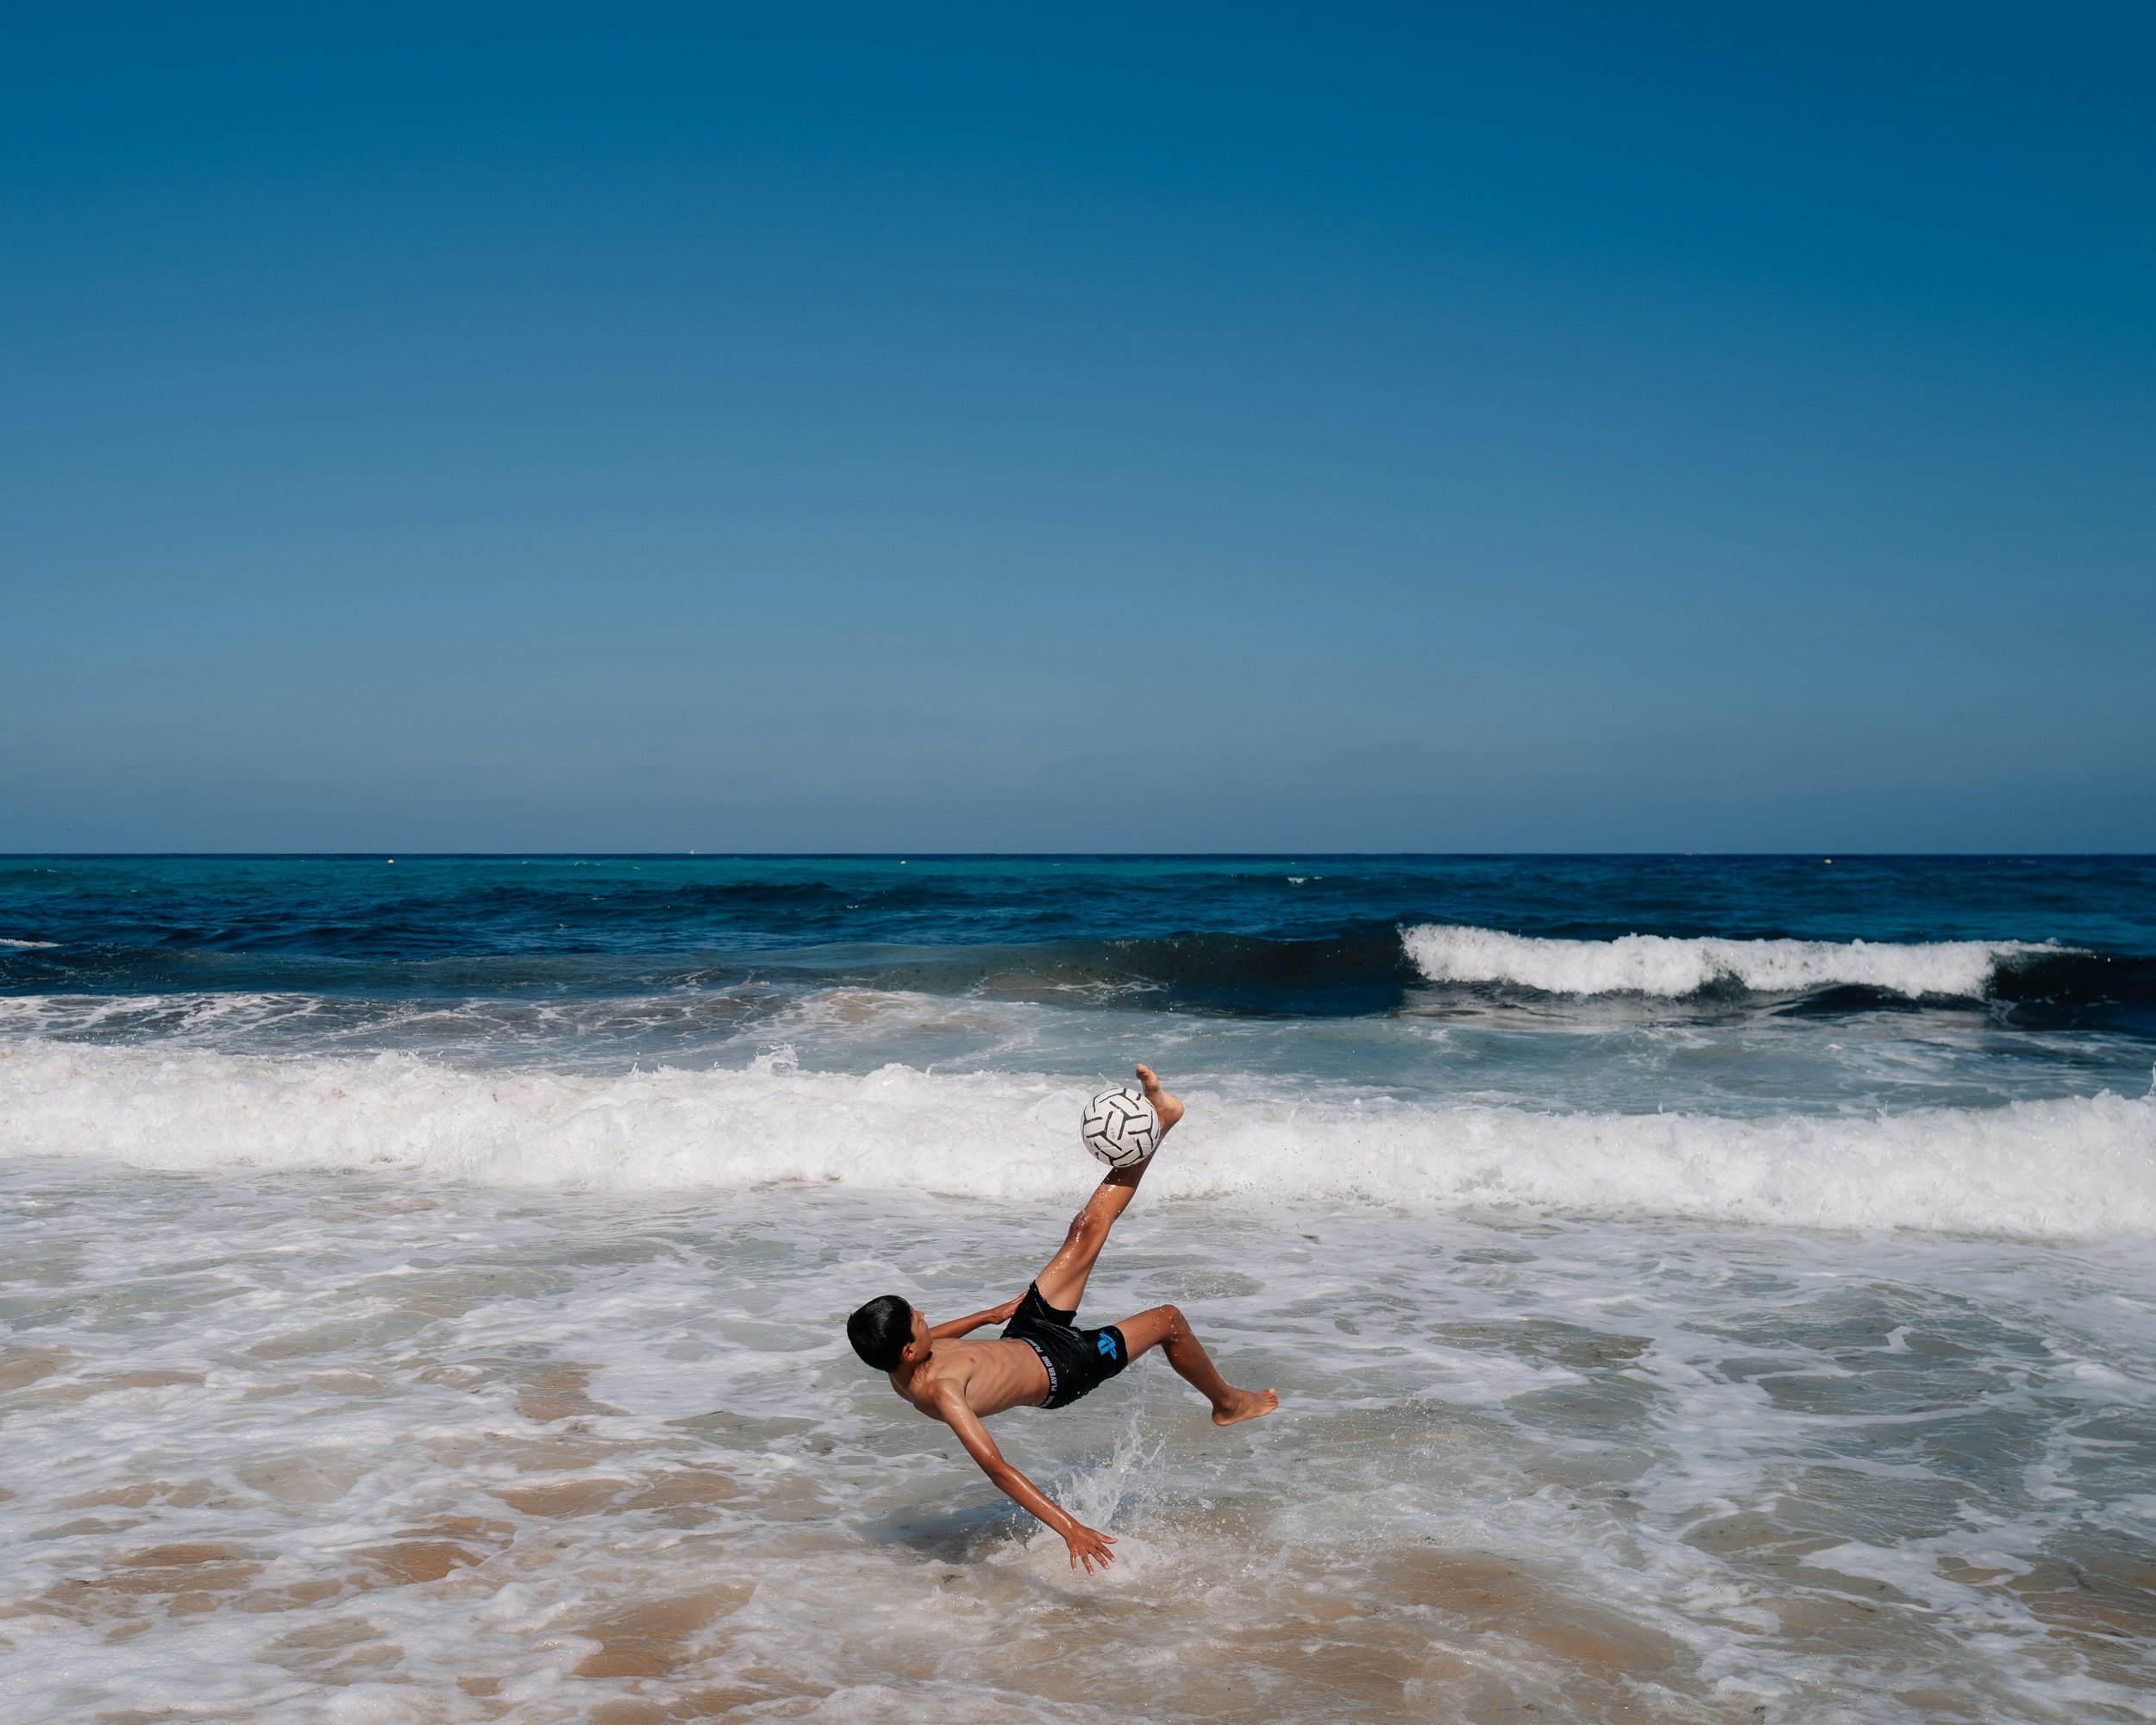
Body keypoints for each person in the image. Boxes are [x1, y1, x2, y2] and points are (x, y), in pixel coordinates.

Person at [844, 1065, 1278, 1574]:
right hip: (1064, 1368)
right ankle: (1228, 1403)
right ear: (908, 1353)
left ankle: (1160, 1121)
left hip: (1026, 1332)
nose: (925, 1316)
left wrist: (990, 1315)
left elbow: (938, 1337)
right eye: (916, 1320)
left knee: (1087, 1226)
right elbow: (997, 1468)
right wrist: (1069, 1527)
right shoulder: (938, 1392)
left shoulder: (907, 1358)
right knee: (1168, 1319)